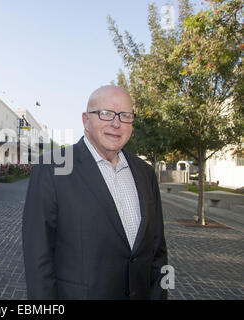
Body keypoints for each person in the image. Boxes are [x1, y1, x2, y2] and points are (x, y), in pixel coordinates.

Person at [22, 85, 168, 300]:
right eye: (106, 113)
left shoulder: (145, 173)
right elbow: (38, 260)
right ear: (85, 120)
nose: (116, 123)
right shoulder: (51, 169)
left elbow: (157, 252)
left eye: (125, 116)